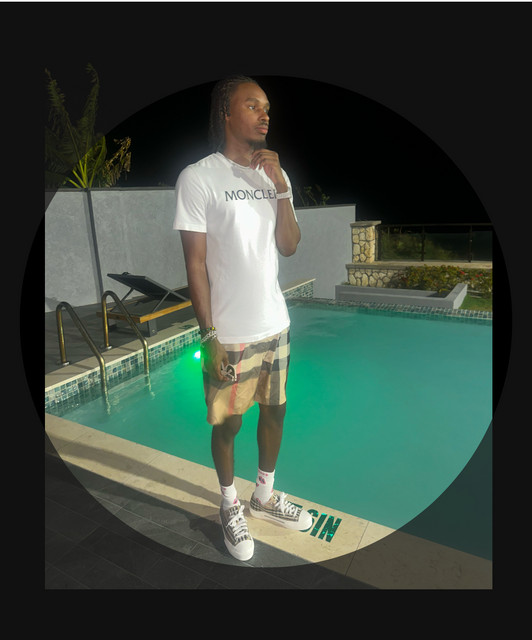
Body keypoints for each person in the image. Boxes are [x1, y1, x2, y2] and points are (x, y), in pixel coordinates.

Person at [173, 75, 312, 561]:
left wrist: (281, 190)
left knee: (276, 411)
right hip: (229, 333)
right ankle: (229, 503)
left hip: (275, 323)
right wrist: (208, 334)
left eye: (266, 106)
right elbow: (195, 265)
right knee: (227, 424)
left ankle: (264, 495)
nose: (264, 113)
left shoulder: (274, 173)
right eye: (252, 105)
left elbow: (289, 246)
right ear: (226, 113)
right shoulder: (198, 178)